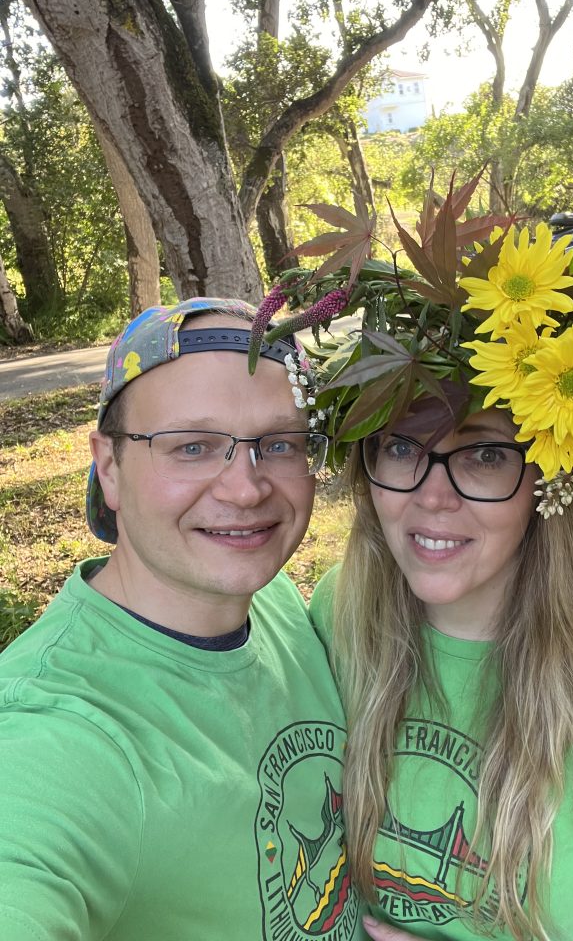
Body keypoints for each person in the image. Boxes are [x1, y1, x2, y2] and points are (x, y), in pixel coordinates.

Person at [268, 193, 573, 941]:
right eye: (400, 447)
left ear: (550, 480)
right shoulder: (341, 612)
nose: (432, 496)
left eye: (483, 454)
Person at [0, 298, 363, 941]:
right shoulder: (58, 733)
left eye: (280, 444)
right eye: (192, 447)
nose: (245, 490)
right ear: (108, 466)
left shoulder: (273, 600)